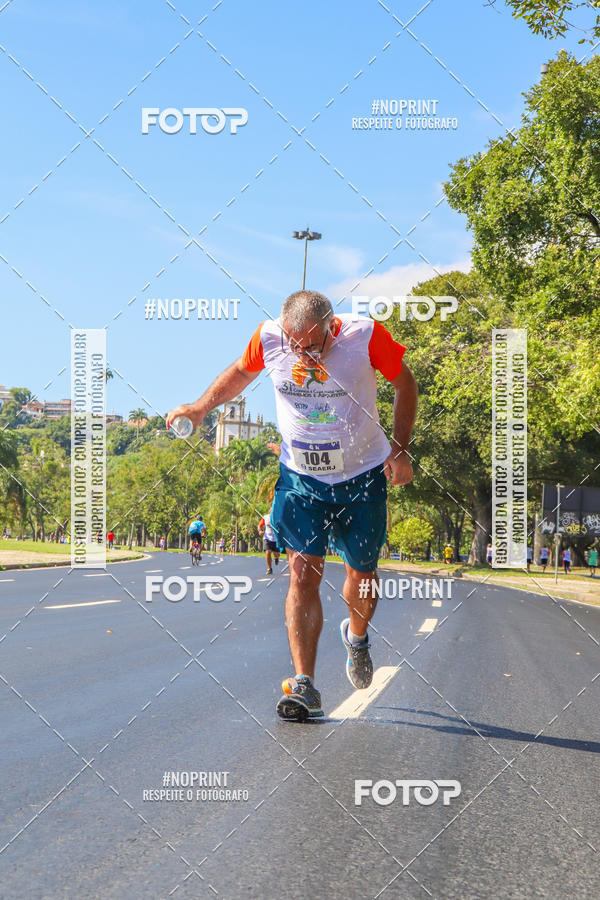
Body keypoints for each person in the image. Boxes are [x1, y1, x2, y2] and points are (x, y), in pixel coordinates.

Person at [167, 289, 417, 721]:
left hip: (362, 475)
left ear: (331, 327)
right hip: (301, 478)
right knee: (302, 575)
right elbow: (241, 374)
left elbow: (405, 382)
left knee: (363, 573)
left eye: (310, 344)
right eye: (293, 344)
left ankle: (357, 638)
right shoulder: (268, 339)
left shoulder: (365, 336)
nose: (300, 353)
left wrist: (400, 448)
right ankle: (304, 684)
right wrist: (201, 407)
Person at [258, 506, 280, 575]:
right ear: (269, 511)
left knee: (276, 554)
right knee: (267, 552)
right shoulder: (265, 517)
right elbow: (259, 525)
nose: (272, 511)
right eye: (271, 510)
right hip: (267, 538)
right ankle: (269, 569)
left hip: (275, 539)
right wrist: (260, 530)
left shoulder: (278, 518)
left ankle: (276, 558)